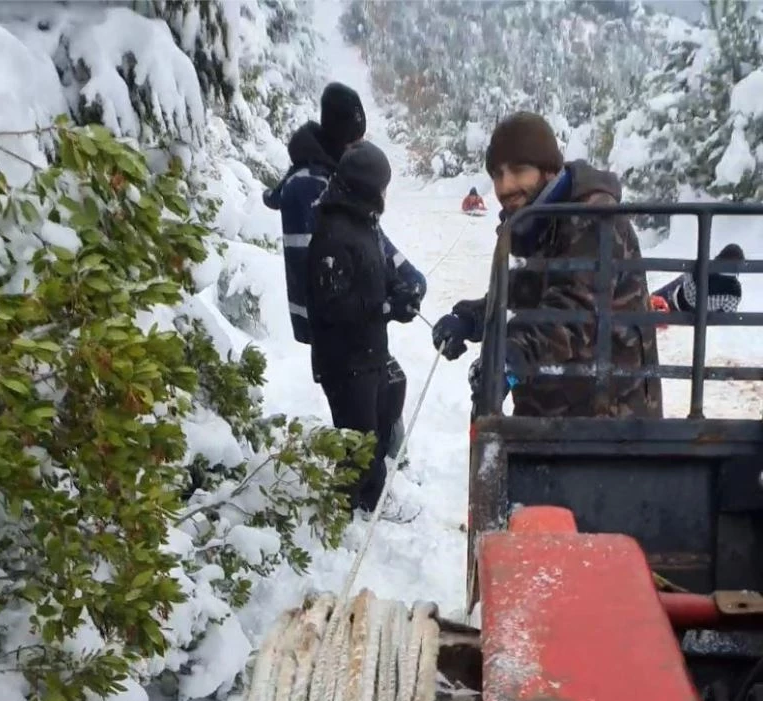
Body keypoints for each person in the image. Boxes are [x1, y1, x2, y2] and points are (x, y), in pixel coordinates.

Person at [432, 111, 663, 419]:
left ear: (550, 170)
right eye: (497, 174)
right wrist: (472, 320)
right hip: (550, 418)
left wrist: (509, 357)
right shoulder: (536, 219)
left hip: (607, 423)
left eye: (518, 170)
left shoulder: (594, 219)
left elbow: (571, 316)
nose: (505, 186)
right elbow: (522, 300)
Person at [264, 82, 426, 462]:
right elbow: (330, 273)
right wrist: (383, 303)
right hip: (336, 333)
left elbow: (373, 243)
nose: (359, 146)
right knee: (359, 425)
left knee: (391, 385)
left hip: (358, 326)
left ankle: (385, 467)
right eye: (355, 139)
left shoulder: (343, 184)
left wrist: (407, 276)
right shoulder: (312, 189)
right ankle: (366, 486)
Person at [306, 142, 420, 523]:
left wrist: (397, 290)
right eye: (382, 187)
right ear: (366, 188)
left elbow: (373, 274)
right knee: (360, 442)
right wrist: (386, 309)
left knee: (389, 397)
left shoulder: (363, 222)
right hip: (343, 359)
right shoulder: (333, 234)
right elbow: (332, 307)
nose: (386, 195)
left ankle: (364, 493)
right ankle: (356, 509)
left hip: (368, 351)